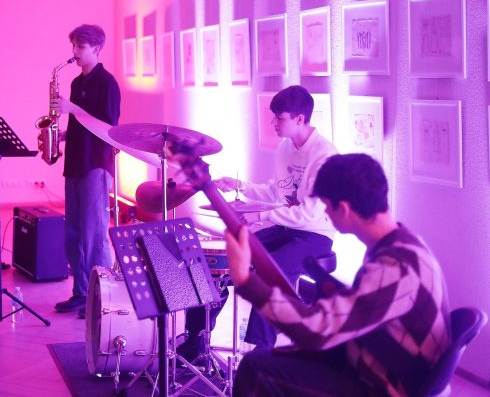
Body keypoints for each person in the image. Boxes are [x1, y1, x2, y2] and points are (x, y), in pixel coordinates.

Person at [226, 153, 451, 396]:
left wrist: (246, 281)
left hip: (382, 385)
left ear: (343, 209)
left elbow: (315, 331)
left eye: (326, 206)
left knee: (255, 367)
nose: (325, 215)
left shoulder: (395, 267)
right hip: (379, 362)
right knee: (277, 359)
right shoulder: (405, 244)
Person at [178, 85, 337, 360]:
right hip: (288, 227)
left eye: (280, 118)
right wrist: (241, 186)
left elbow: (310, 214)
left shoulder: (324, 156)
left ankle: (259, 354)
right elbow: (278, 192)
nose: (274, 123)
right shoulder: (286, 148)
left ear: (300, 119)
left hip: (315, 234)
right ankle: (196, 338)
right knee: (223, 256)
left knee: (272, 270)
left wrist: (261, 216)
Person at [49, 24, 120, 318]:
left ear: (96, 48)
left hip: (96, 164)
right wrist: (61, 136)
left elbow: (108, 128)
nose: (75, 52)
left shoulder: (107, 83)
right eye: (74, 46)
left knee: (94, 234)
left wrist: (73, 109)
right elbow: (82, 125)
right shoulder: (77, 83)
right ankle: (81, 293)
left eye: (80, 46)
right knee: (73, 233)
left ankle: (102, 298)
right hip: (75, 162)